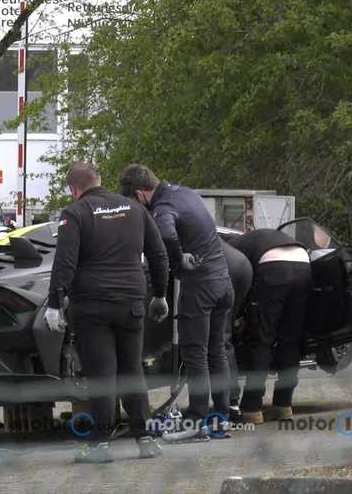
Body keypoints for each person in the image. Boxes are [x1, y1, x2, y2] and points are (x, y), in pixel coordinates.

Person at [45, 162, 170, 464]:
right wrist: (161, 295)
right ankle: (146, 439)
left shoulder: (75, 213)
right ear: (99, 181)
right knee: (132, 369)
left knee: (102, 374)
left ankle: (100, 444)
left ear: (74, 190)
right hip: (131, 303)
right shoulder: (134, 208)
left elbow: (65, 261)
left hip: (91, 306)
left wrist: (53, 301)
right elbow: (158, 254)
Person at [118, 164, 234, 442]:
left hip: (201, 286)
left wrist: (179, 258)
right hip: (223, 280)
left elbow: (167, 234)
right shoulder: (186, 192)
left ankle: (195, 421)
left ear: (141, 194)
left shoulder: (163, 207)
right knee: (216, 351)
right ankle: (221, 419)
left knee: (195, 353)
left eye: (134, 201)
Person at [227, 228, 311, 424]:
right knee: (290, 340)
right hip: (304, 263)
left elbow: (240, 280)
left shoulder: (229, 249)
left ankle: (252, 408)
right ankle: (283, 405)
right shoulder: (255, 238)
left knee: (262, 339)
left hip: (273, 266)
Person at [220, 239, 253, 421]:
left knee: (219, 340)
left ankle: (229, 404)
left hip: (222, 268)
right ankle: (232, 402)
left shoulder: (163, 213)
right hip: (241, 265)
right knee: (225, 337)